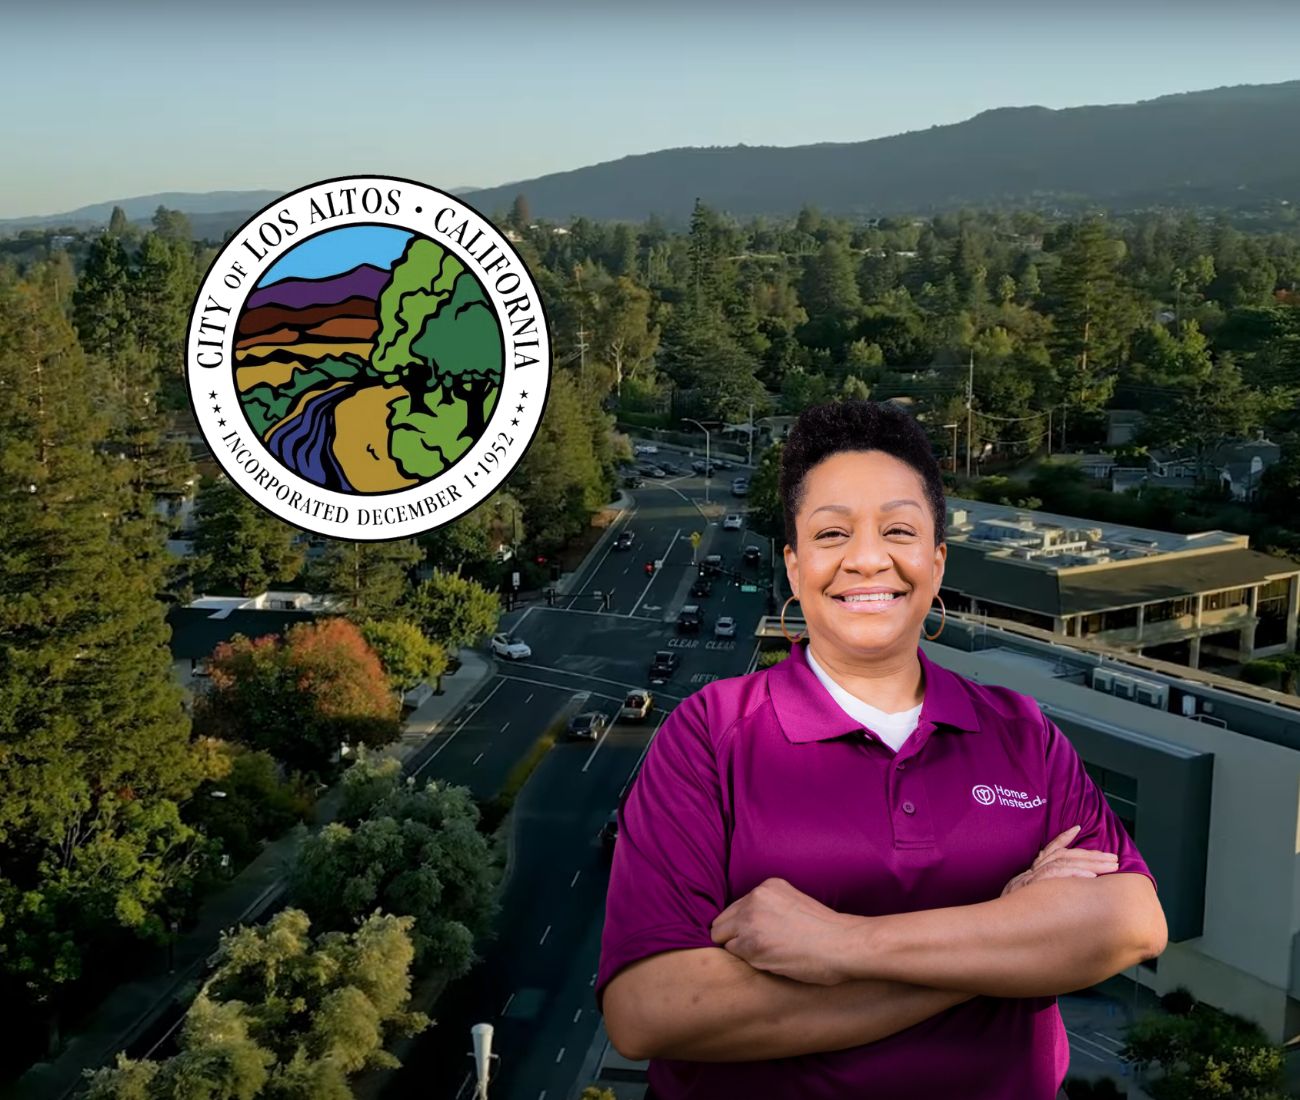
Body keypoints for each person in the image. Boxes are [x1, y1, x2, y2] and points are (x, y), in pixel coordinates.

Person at [597, 399, 1166, 1100]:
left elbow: (1132, 923)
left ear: (936, 560)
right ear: (796, 564)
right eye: (833, 533)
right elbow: (649, 1009)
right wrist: (1007, 945)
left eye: (898, 529)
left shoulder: (1021, 731)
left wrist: (841, 946)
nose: (868, 559)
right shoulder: (711, 734)